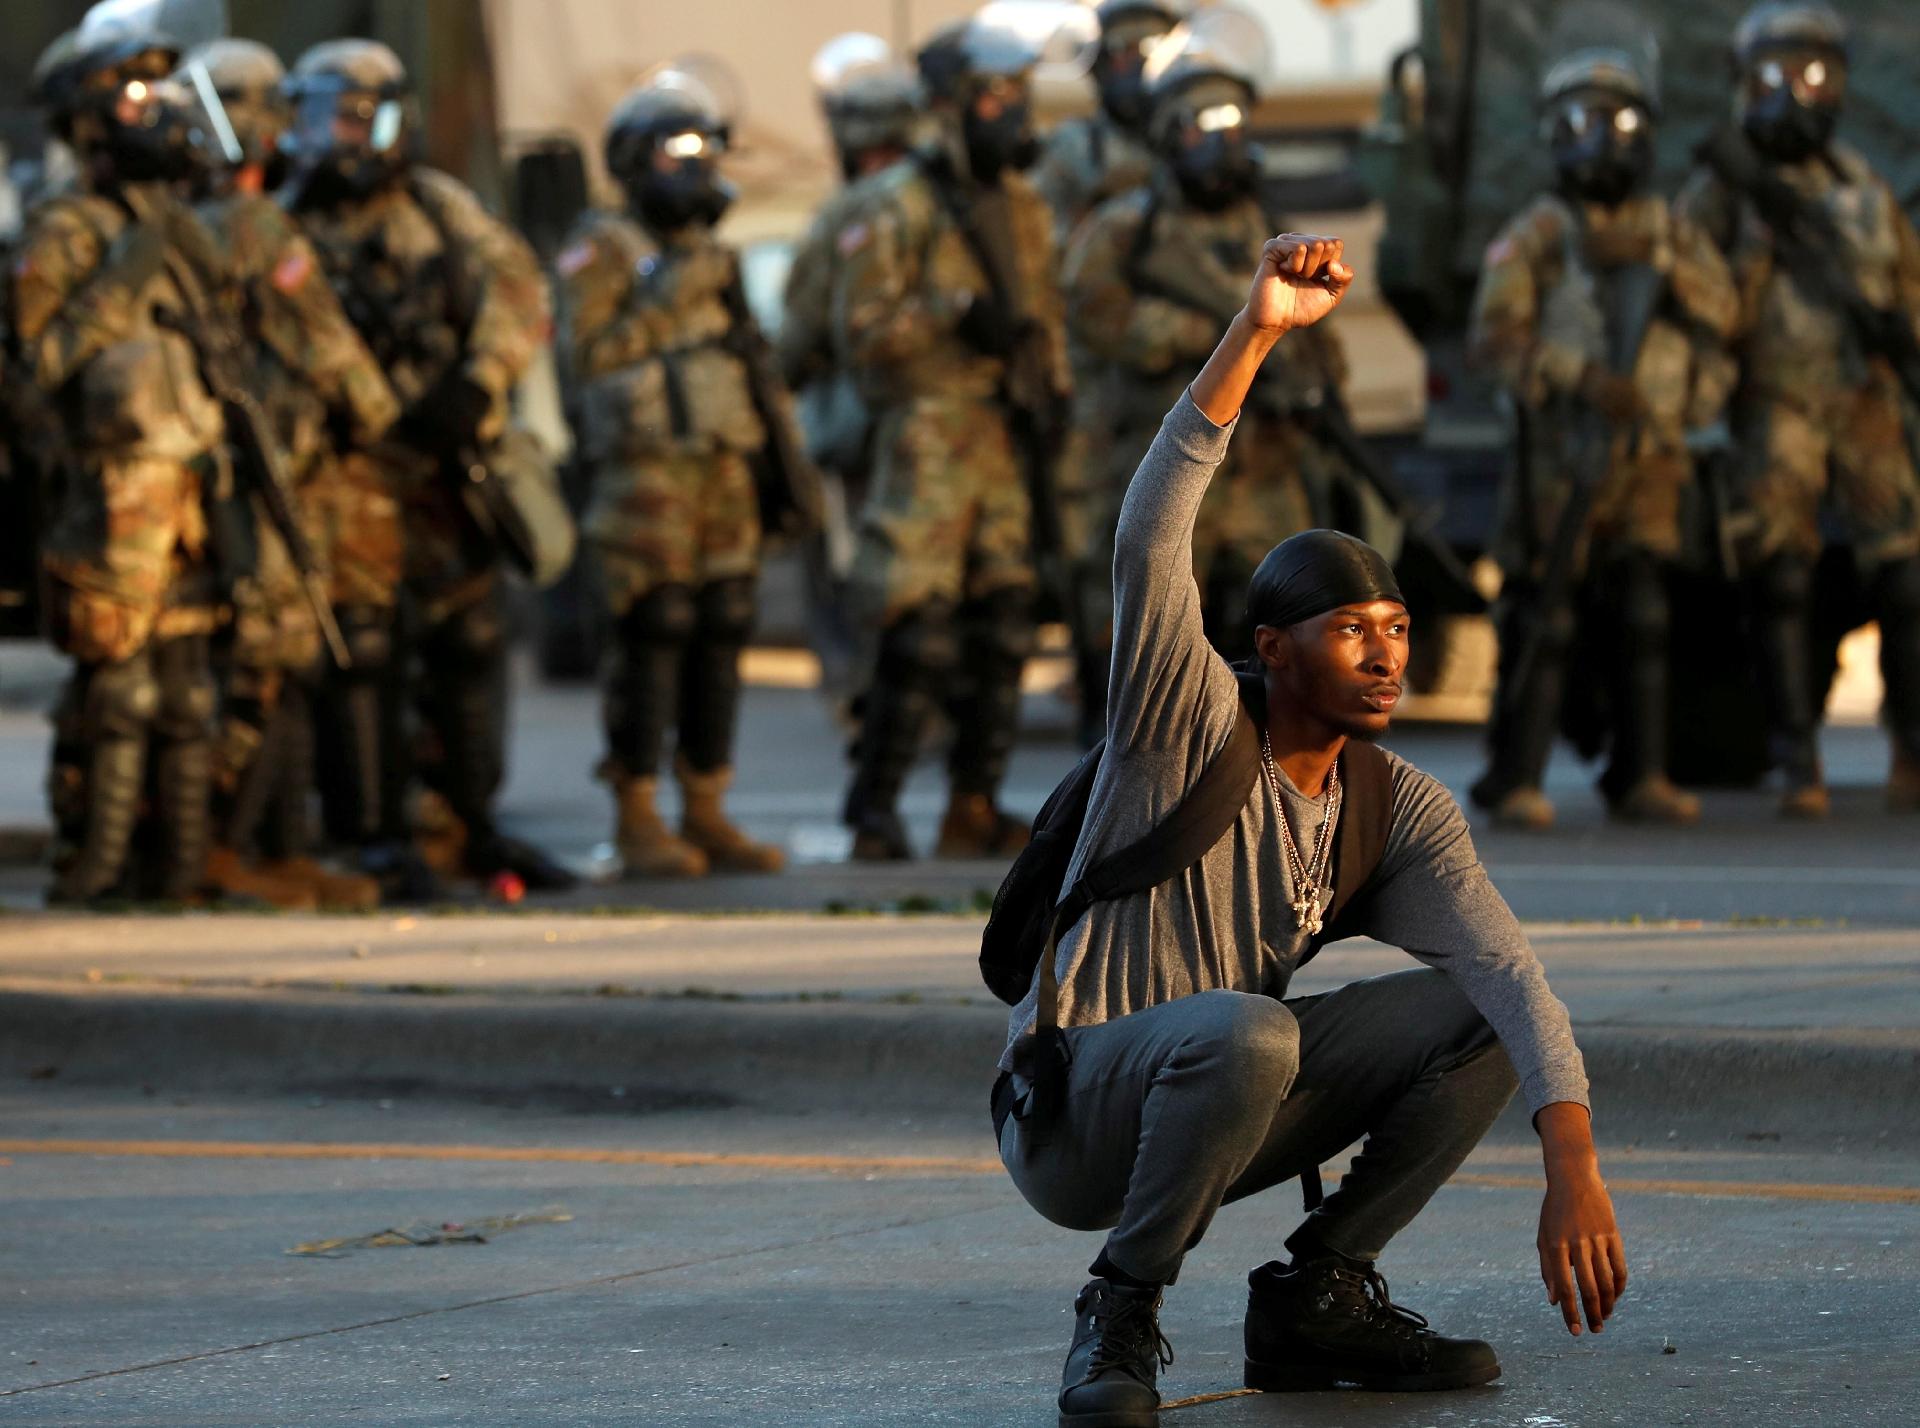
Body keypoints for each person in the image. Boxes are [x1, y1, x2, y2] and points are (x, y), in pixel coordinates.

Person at [997, 235, 1625, 1427]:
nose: (1386, 652)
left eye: (1395, 627)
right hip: (1077, 1114)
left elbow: (1509, 974)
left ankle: (1316, 1294)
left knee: (1478, 1015)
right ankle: (1121, 1307)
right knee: (1250, 1032)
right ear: (1273, 649)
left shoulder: (1396, 807)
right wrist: (1260, 330)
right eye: (1350, 629)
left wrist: (1572, 1159)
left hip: (1231, 1091)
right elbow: (1148, 538)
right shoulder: (1177, 719)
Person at [281, 38, 575, 895]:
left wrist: (479, 384)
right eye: (318, 114)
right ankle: (371, 835)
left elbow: (519, 292)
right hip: (347, 473)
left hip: (446, 464)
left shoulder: (439, 209)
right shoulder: (284, 223)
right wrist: (376, 411)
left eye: (352, 116)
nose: (333, 135)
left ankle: (472, 825)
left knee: (470, 639)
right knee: (362, 648)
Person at [1468, 50, 1740, 829]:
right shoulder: (1538, 235)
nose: (1601, 142)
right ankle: (1516, 774)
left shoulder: (1671, 230)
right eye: (1582, 123)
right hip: (1561, 460)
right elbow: (1494, 342)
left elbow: (1725, 314)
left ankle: (1641, 774)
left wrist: (1666, 273)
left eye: (1618, 123)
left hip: (1649, 457)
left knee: (1645, 610)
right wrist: (1579, 377)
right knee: (1544, 613)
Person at [834, 15, 1071, 861]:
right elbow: (858, 333)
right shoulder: (894, 205)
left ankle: (973, 803)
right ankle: (874, 809)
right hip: (930, 435)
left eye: (1018, 95)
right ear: (950, 106)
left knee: (1005, 621)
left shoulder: (1024, 208)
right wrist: (954, 315)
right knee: (918, 628)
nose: (1011, 113)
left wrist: (1054, 393)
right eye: (994, 97)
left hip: (1006, 437)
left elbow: (1045, 317)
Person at [1677, 1, 1920, 817]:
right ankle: (1797, 758)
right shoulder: (1720, 193)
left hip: (1864, 401)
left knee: (1906, 577)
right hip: (1773, 403)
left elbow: (1907, 286)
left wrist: (1898, 329)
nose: (1795, 94)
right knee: (1781, 578)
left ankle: (1911, 752)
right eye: (1775, 76)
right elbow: (1692, 308)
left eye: (1813, 77)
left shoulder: (1860, 186)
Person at [13, 8, 225, 904]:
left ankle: (177, 872)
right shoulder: (69, 228)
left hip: (188, 491)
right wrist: (131, 263)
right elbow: (41, 359)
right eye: (135, 93)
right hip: (110, 492)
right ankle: (92, 868)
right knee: (120, 688)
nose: (158, 110)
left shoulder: (176, 225)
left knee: (184, 696)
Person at [554, 70, 788, 879]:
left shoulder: (713, 256)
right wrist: (669, 296)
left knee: (722, 625)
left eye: (705, 154)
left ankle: (706, 804)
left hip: (719, 468)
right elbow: (586, 357)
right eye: (675, 154)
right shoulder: (601, 249)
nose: (695, 172)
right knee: (655, 628)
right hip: (643, 473)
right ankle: (638, 811)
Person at [186, 36, 397, 909]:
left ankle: (277, 849)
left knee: (276, 658)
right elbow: (330, 350)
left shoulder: (181, 223)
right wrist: (385, 419)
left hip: (219, 469)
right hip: (271, 473)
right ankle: (232, 849)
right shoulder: (255, 226)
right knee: (273, 660)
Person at [1064, 24, 1344, 679]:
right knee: (1149, 652)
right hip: (1163, 461)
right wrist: (1218, 337)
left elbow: (1318, 341)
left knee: (1284, 633)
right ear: (1167, 135)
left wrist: (1313, 382)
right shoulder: (1126, 228)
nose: (1222, 141)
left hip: (1263, 467)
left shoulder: (1265, 228)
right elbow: (1097, 316)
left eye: (1234, 123)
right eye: (1202, 124)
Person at [779, 35, 925, 694]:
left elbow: (802, 328)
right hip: (944, 422)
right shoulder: (942, 201)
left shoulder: (845, 214)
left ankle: (873, 695)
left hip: (872, 425)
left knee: (868, 564)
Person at [1031, 0, 1181, 241]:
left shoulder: (1186, 137)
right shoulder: (1074, 144)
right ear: (1100, 63)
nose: (1140, 63)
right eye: (1123, 50)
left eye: (1151, 48)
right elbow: (1040, 236)